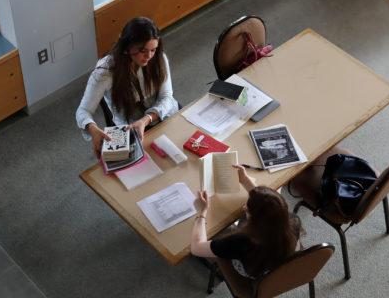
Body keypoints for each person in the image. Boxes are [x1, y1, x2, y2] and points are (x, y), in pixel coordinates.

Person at [76, 17, 179, 159]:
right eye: (143, 50)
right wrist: (92, 128)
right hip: (131, 129)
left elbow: (167, 97)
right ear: (126, 46)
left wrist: (146, 120)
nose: (149, 56)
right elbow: (83, 111)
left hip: (163, 115)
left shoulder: (158, 58)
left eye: (153, 50)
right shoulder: (105, 72)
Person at [191, 165, 305, 278]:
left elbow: (196, 248)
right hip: (275, 262)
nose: (244, 207)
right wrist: (245, 180)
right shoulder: (293, 220)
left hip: (253, 270)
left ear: (256, 222)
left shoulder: (239, 242)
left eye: (248, 208)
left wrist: (201, 212)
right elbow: (267, 203)